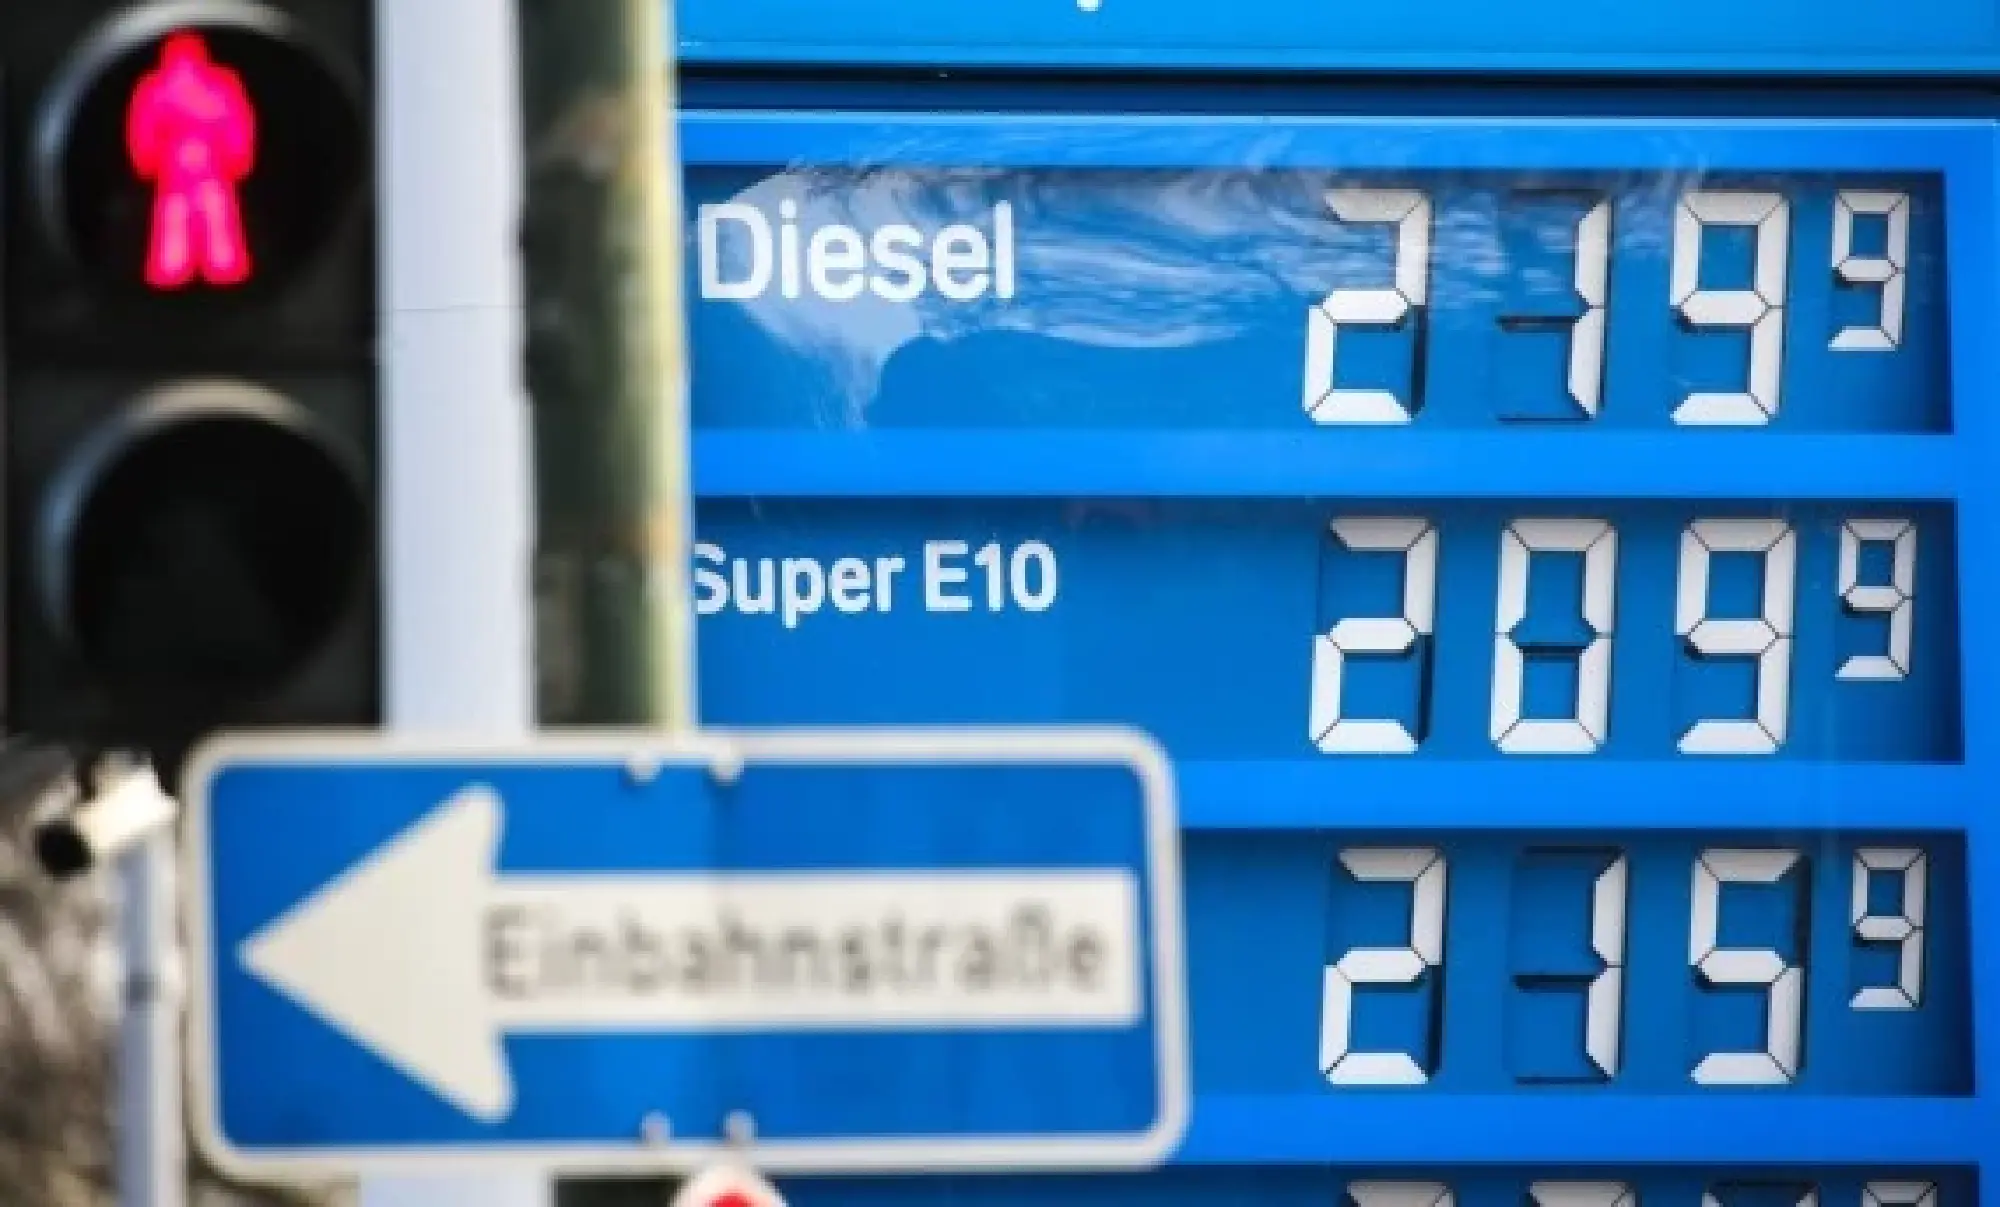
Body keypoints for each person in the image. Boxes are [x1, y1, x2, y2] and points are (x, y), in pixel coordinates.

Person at [126, 31, 256, 290]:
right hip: (175, 161)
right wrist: (146, 159)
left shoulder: (220, 83)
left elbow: (237, 122)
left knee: (214, 213)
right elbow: (143, 126)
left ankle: (223, 270)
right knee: (176, 217)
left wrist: (239, 156)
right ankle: (173, 272)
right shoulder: (156, 86)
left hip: (209, 160)